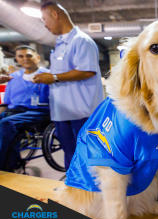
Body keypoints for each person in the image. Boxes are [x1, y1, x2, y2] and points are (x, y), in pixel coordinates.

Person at [34, 2, 104, 170]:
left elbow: (87, 71)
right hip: (62, 112)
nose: (44, 24)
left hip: (81, 112)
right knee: (70, 155)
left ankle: (90, 192)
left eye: (45, 19)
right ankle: (73, 188)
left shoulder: (81, 41)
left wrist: (54, 77)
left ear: (55, 15)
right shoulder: (59, 45)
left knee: (85, 156)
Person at [0, 45, 50, 171]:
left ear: (37, 58)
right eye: (21, 56)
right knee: (5, 121)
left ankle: (4, 165)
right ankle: (12, 160)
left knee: (7, 123)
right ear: (17, 59)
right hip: (15, 111)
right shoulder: (13, 77)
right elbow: (6, 103)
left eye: (29, 55)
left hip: (38, 112)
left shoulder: (47, 76)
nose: (25, 59)